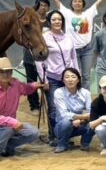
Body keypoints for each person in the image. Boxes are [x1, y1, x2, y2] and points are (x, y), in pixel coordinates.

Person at [36, 0, 106, 86]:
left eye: (79, 1)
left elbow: (99, 2)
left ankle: (86, 98)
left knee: (86, 76)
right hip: (72, 50)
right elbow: (55, 0)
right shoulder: (67, 13)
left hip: (87, 50)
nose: (77, 3)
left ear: (83, 4)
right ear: (71, 4)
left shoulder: (88, 13)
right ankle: (75, 95)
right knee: (75, 75)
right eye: (75, 1)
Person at [0, 56, 45, 162]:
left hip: (11, 124)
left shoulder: (16, 84)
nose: (6, 75)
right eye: (1, 72)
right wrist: (11, 121)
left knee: (33, 132)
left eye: (8, 71)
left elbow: (26, 88)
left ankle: (5, 146)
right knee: (7, 127)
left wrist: (36, 85)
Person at [37, 10, 89, 141]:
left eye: (59, 19)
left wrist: (77, 75)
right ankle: (55, 136)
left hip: (68, 78)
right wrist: (43, 79)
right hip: (52, 78)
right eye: (54, 19)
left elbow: (73, 57)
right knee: (54, 108)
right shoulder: (44, 37)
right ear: (49, 22)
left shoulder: (67, 36)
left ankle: (66, 134)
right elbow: (39, 59)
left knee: (68, 106)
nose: (57, 22)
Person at [52, 67, 94, 153]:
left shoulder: (86, 93)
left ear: (78, 79)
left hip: (79, 125)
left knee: (95, 122)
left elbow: (92, 113)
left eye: (73, 77)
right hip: (62, 127)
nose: (70, 80)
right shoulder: (58, 92)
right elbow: (64, 114)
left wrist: (81, 121)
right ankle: (62, 144)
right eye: (67, 77)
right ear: (63, 80)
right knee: (66, 122)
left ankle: (85, 143)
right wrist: (81, 117)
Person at [23, 0, 50, 111]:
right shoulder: (29, 21)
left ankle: (49, 103)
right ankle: (34, 105)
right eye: (41, 5)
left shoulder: (50, 21)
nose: (43, 8)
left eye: (45, 5)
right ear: (36, 6)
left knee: (47, 81)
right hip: (30, 57)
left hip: (45, 58)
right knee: (31, 81)